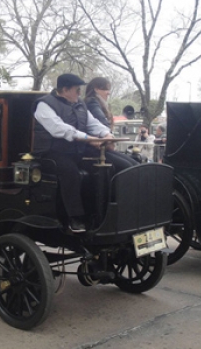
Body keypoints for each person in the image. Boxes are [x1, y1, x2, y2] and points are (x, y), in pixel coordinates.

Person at [33, 73, 131, 232]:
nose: (80, 94)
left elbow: (92, 123)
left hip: (76, 150)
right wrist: (88, 139)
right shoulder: (44, 105)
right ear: (64, 90)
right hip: (51, 152)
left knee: (111, 165)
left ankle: (106, 212)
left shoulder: (79, 104)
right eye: (77, 90)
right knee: (70, 172)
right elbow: (60, 129)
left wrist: (107, 135)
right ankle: (75, 218)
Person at [84, 77, 138, 167]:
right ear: (96, 89)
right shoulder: (92, 102)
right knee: (128, 166)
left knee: (133, 164)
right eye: (105, 89)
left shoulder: (95, 102)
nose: (108, 92)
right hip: (96, 148)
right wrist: (109, 136)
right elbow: (101, 122)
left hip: (102, 146)